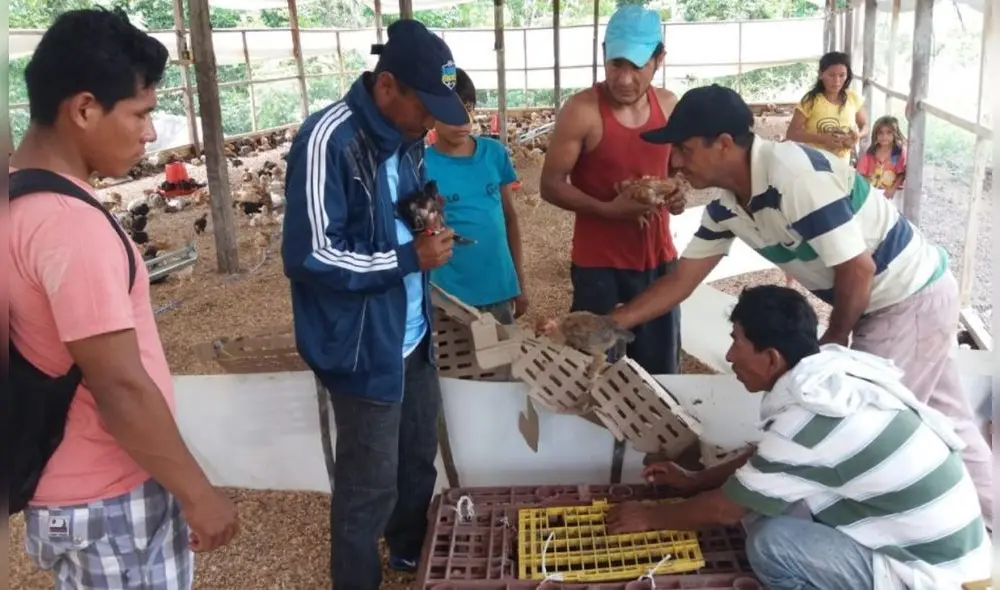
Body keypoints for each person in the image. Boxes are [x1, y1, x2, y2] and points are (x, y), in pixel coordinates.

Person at [549, 83, 994, 523]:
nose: (676, 162)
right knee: (947, 420)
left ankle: (905, 542)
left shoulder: (793, 177)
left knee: (854, 429)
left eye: (683, 149)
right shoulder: (726, 206)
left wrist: (831, 349)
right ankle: (987, 524)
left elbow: (858, 270)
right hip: (897, 299)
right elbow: (682, 280)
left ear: (723, 144)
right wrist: (610, 322)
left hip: (903, 296)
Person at [9, 8, 238, 588]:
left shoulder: (20, 203)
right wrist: (197, 491)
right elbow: (119, 386)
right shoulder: (69, 226)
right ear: (83, 109)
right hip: (107, 497)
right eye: (141, 113)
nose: (150, 133)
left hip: (68, 493)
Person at [605, 285, 992, 589]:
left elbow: (726, 510)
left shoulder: (808, 419)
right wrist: (695, 481)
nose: (729, 354)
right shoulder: (830, 377)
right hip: (946, 550)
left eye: (737, 341)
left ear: (771, 358)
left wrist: (650, 517)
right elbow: (768, 459)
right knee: (768, 503)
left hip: (930, 575)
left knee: (772, 543)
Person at [281, 19, 465, 590]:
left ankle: (410, 553)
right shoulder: (326, 139)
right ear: (387, 87)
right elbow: (310, 255)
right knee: (367, 487)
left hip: (412, 331)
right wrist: (410, 259)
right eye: (425, 105)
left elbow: (414, 199)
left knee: (416, 462)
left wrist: (434, 227)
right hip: (361, 345)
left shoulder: (408, 138)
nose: (432, 120)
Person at [540, 4, 686, 374]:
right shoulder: (582, 110)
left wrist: (677, 194)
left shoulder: (670, 108)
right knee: (595, 375)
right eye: (616, 63)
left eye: (636, 66)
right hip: (599, 266)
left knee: (659, 376)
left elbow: (678, 174)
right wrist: (609, 210)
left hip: (658, 262)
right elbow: (550, 185)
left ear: (660, 59)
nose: (623, 78)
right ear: (603, 52)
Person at [425, 67, 527, 324]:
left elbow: (510, 219)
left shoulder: (495, 154)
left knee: (503, 358)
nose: (462, 120)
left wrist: (519, 281)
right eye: (450, 112)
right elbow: (422, 233)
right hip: (448, 296)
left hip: (498, 287)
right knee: (454, 360)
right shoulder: (421, 165)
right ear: (430, 114)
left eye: (468, 108)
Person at [785, 51, 869, 163]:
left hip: (842, 163)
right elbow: (791, 133)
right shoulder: (811, 101)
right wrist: (822, 139)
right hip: (814, 163)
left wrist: (857, 136)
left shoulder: (852, 97)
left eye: (842, 75)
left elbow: (865, 125)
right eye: (831, 75)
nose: (837, 81)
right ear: (820, 74)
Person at [857, 115, 907, 200]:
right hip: (871, 193)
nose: (884, 136)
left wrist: (892, 189)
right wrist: (867, 189)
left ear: (895, 133)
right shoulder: (871, 152)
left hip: (891, 194)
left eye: (888, 132)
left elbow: (901, 174)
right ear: (875, 134)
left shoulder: (898, 152)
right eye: (880, 133)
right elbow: (861, 173)